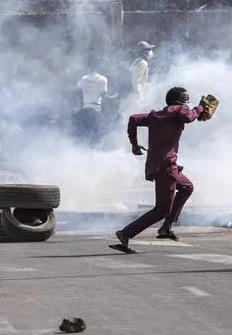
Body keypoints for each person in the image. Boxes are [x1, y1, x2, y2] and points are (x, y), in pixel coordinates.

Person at [113, 87, 214, 249]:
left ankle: (167, 226)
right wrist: (200, 107)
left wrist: (134, 144)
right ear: (179, 102)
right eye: (185, 100)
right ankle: (126, 233)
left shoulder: (155, 116)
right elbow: (188, 117)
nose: (187, 104)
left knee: (187, 187)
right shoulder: (180, 111)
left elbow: (133, 119)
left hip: (159, 164)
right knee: (161, 210)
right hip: (167, 165)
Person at [72, 60, 111, 144]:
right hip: (95, 110)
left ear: (88, 67)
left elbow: (75, 91)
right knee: (96, 136)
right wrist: (113, 98)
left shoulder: (84, 78)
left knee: (82, 136)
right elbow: (104, 96)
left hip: (85, 109)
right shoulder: (103, 79)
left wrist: (78, 104)